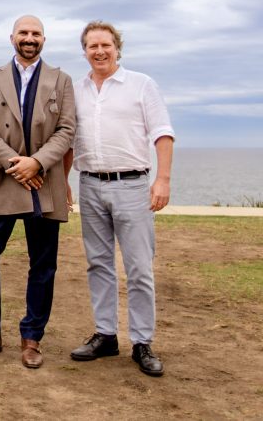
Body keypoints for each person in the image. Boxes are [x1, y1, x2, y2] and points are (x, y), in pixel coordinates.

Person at [0, 15, 76, 369]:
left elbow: (68, 129)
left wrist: (36, 163)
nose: (29, 38)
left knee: (43, 264)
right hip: (3, 178)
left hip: (44, 181)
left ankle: (32, 337)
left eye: (35, 33)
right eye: (23, 33)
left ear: (44, 39)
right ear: (12, 38)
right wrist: (16, 164)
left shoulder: (62, 80)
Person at [68, 20, 174, 377]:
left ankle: (142, 341)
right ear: (84, 50)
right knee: (98, 263)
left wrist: (162, 180)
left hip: (132, 185)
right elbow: (69, 138)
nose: (99, 51)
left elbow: (162, 134)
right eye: (92, 46)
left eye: (106, 45)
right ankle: (105, 335)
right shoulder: (76, 89)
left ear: (117, 48)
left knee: (139, 267)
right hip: (90, 185)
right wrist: (66, 182)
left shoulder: (142, 85)